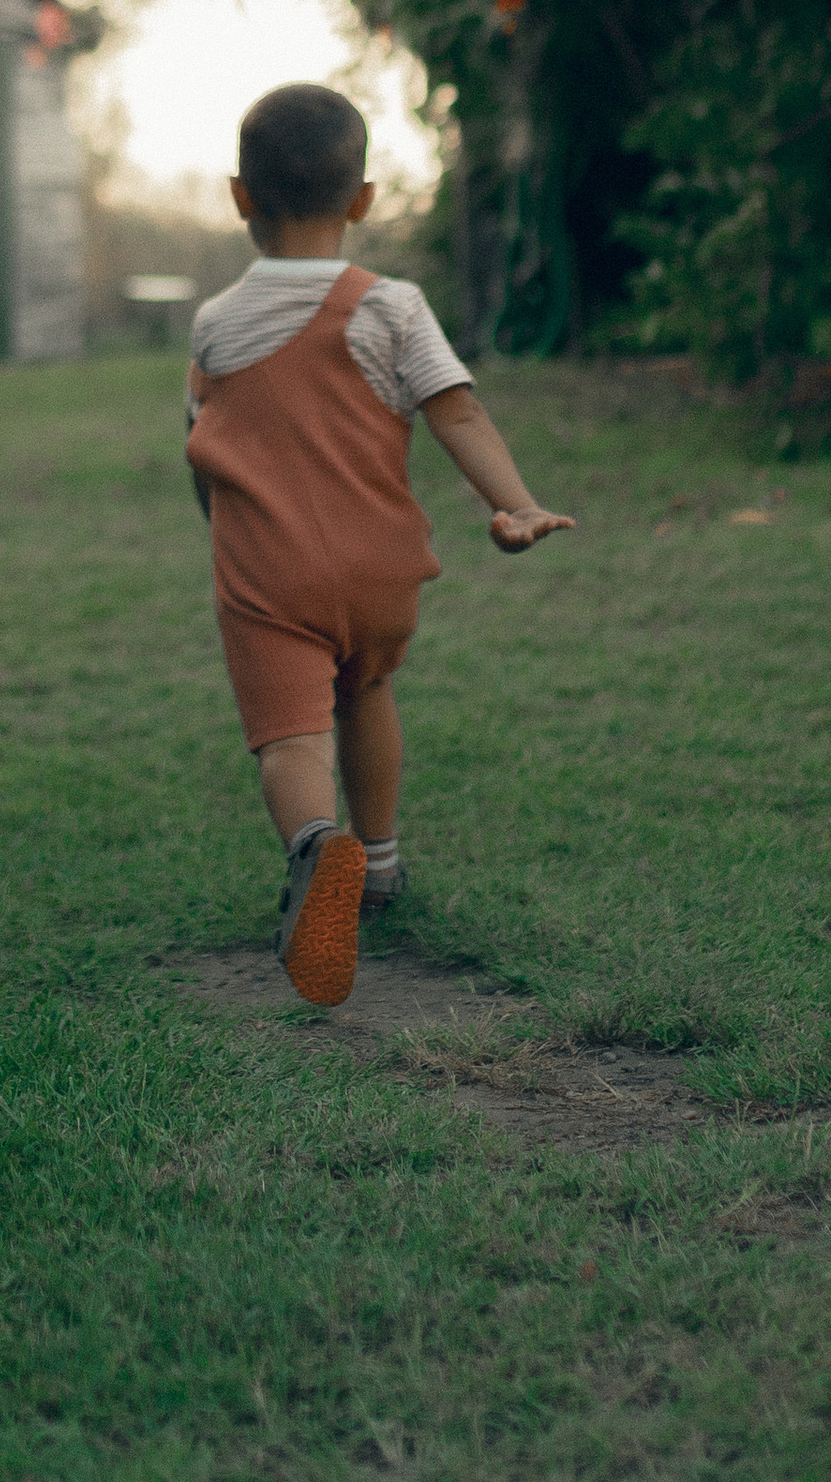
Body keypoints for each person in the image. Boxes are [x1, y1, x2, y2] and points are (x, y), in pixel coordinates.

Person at [185, 81, 575, 1007]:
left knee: (290, 736)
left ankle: (320, 847)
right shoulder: (392, 306)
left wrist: (224, 530)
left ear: (241, 197)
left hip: (268, 570)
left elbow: (202, 447)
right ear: (360, 201)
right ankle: (384, 862)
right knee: (368, 690)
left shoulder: (213, 323)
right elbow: (457, 409)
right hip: (378, 567)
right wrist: (513, 504)